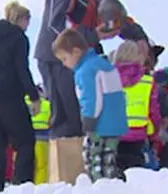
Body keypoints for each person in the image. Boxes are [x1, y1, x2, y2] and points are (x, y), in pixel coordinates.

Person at [34, 0, 122, 140]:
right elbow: (57, 21)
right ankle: (66, 170)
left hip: (79, 56)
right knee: (67, 118)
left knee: (82, 115)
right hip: (57, 56)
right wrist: (92, 36)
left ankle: (81, 168)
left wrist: (138, 37)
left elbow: (112, 8)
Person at [52, 29, 126, 182]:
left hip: (99, 123)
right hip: (115, 121)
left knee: (93, 157)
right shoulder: (103, 64)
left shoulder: (85, 70)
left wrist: (88, 119)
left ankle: (98, 187)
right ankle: (113, 185)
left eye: (65, 59)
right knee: (108, 158)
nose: (64, 64)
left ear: (76, 52)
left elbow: (91, 98)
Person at [0, 1, 40, 190]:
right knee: (25, 140)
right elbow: (22, 69)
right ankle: (22, 183)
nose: (28, 26)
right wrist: (33, 95)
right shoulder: (19, 38)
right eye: (28, 21)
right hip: (10, 95)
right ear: (21, 19)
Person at [111, 40, 162, 172]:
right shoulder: (147, 81)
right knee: (137, 173)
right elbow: (154, 112)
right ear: (139, 57)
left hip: (113, 135)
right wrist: (153, 134)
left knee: (116, 174)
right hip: (138, 135)